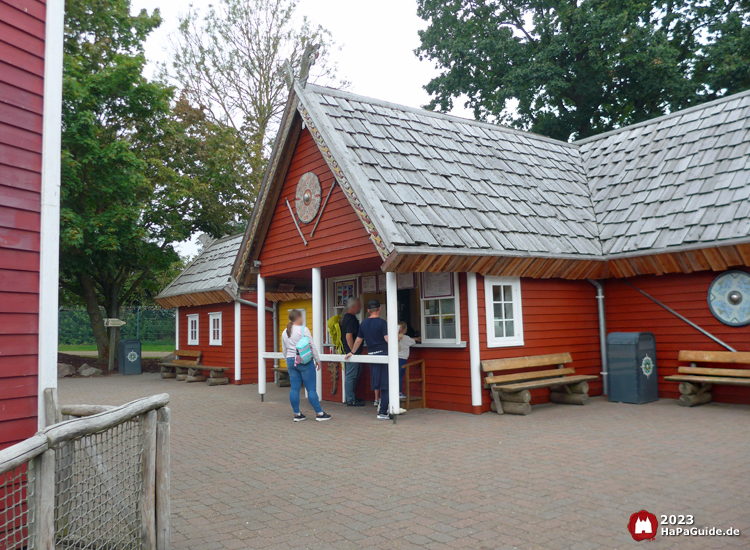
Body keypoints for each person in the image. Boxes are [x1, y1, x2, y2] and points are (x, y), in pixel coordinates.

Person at [281, 310, 331, 422]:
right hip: (304, 361)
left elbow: (284, 350)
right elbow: (311, 346)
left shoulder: (285, 332)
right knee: (311, 389)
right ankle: (319, 413)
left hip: (290, 360)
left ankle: (297, 414)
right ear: (298, 318)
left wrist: (288, 360)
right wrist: (317, 360)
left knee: (294, 388)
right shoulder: (304, 330)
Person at [345, 299, 391, 420]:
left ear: (368, 310)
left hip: (372, 356)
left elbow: (359, 340)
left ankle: (380, 404)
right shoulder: (383, 323)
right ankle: (383, 412)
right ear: (380, 309)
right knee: (386, 384)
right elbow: (387, 339)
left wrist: (352, 352)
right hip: (384, 356)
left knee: (377, 382)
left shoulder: (364, 323)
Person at [340, 297, 365, 407]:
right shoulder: (351, 319)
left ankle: (352, 396)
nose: (361, 307)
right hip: (351, 353)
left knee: (356, 373)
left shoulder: (346, 318)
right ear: (354, 307)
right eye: (359, 305)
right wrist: (352, 351)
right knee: (351, 375)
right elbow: (348, 336)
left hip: (350, 352)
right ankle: (350, 399)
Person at [398, 321, 420, 399]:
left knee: (394, 376)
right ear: (404, 329)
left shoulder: (394, 337)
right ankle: (399, 392)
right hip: (402, 359)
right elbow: (413, 342)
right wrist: (417, 339)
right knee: (400, 376)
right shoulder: (406, 338)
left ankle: (393, 392)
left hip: (395, 359)